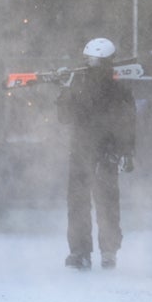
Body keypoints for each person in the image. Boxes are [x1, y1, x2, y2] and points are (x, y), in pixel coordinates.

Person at [56, 37, 136, 270]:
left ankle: (108, 250)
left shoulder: (119, 89)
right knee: (78, 203)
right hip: (80, 153)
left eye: (96, 61)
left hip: (107, 154)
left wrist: (127, 152)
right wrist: (65, 89)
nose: (91, 65)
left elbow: (128, 122)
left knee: (107, 203)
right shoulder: (77, 85)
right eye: (88, 60)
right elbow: (64, 117)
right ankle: (80, 252)